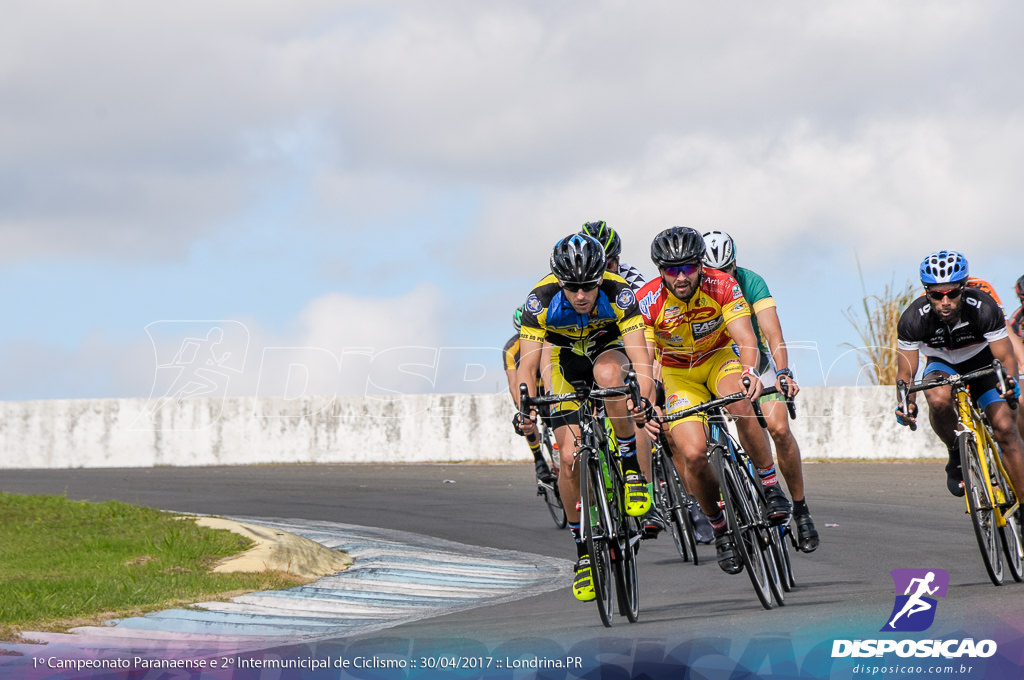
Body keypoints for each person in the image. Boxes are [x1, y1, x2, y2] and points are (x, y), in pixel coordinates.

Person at [637, 226, 792, 574]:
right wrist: (647, 404)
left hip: (719, 359)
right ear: (660, 270)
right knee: (692, 453)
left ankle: (769, 486)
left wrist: (751, 372)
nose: (680, 277)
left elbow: (746, 336)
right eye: (671, 270)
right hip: (678, 375)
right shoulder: (647, 301)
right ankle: (719, 527)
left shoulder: (722, 284)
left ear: (700, 264)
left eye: (688, 267)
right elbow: (645, 362)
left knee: (740, 401)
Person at [514, 233, 655, 602]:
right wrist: (525, 411)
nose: (581, 295)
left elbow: (641, 359)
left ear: (600, 279)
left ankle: (628, 465)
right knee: (567, 457)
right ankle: (582, 554)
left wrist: (643, 400)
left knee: (612, 379)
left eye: (588, 287)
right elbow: (526, 367)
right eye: (573, 288)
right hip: (565, 361)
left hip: (607, 350)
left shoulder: (619, 292)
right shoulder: (539, 301)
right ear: (560, 282)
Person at [702, 230, 819, 553]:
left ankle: (801, 509)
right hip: (713, 368)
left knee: (780, 428)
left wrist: (782, 371)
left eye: (727, 270)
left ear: (735, 264)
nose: (721, 278)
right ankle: (730, 507)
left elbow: (772, 332)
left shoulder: (751, 281)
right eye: (713, 272)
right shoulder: (694, 289)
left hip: (758, 364)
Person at [894, 250, 1024, 501]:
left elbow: (1007, 358)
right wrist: (905, 404)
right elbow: (905, 375)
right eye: (936, 294)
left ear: (963, 288)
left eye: (952, 293)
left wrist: (1010, 384)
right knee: (937, 399)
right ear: (927, 292)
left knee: (1006, 428)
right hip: (942, 363)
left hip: (983, 361)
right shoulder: (912, 318)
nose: (945, 302)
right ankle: (955, 452)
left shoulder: (984, 307)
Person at [579, 220, 665, 538]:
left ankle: (645, 492)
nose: (606, 270)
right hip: (580, 352)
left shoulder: (631, 281)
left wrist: (646, 392)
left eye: (611, 262)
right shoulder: (574, 283)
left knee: (632, 409)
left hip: (619, 346)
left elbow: (643, 342)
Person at [503, 304, 556, 482]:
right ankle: (539, 459)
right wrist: (524, 409)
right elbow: (513, 383)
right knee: (527, 419)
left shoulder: (549, 339)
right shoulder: (511, 349)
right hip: (528, 385)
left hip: (550, 384)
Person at [580, 221, 646, 291]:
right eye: (592, 268)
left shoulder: (630, 275)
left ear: (617, 262)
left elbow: (641, 296)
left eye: (608, 266)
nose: (602, 275)